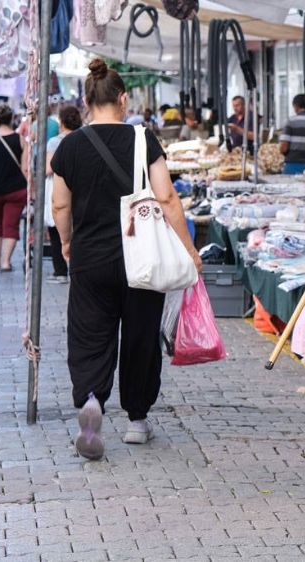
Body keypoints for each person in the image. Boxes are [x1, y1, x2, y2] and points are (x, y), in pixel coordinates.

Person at [50, 59, 202, 461]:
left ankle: (91, 401)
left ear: (86, 102)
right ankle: (137, 419)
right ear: (123, 98)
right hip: (142, 258)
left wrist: (66, 244)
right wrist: (188, 248)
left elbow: (59, 206)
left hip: (90, 258)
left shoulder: (70, 145)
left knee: (89, 335)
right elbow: (167, 197)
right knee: (140, 336)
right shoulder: (143, 138)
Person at [0, 104, 30, 271]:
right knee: (11, 226)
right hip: (16, 190)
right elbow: (25, 168)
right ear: (12, 118)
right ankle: (6, 262)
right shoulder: (20, 140)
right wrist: (31, 189)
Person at [44, 105, 83, 283]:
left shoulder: (55, 142)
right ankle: (77, 269)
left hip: (59, 188)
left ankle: (60, 272)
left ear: (62, 121)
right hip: (81, 188)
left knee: (56, 229)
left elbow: (48, 168)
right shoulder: (84, 138)